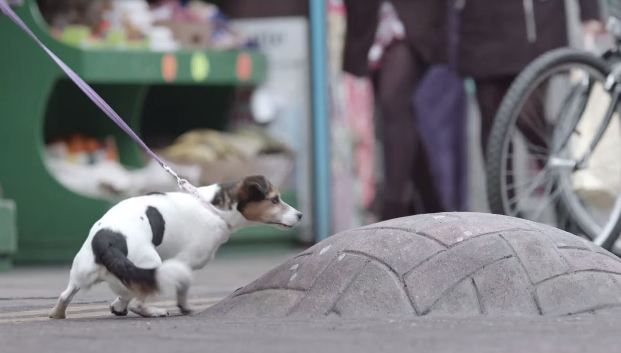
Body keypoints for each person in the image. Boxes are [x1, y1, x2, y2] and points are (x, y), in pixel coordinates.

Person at [342, 0, 448, 220]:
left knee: (394, 103)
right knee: (397, 116)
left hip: (413, 20)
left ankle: (393, 209)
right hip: (370, 19)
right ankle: (434, 206)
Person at [457, 0, 604, 155]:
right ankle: (501, 178)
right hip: (480, 27)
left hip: (532, 27)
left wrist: (590, 12)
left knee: (529, 118)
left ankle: (557, 167)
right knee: (492, 125)